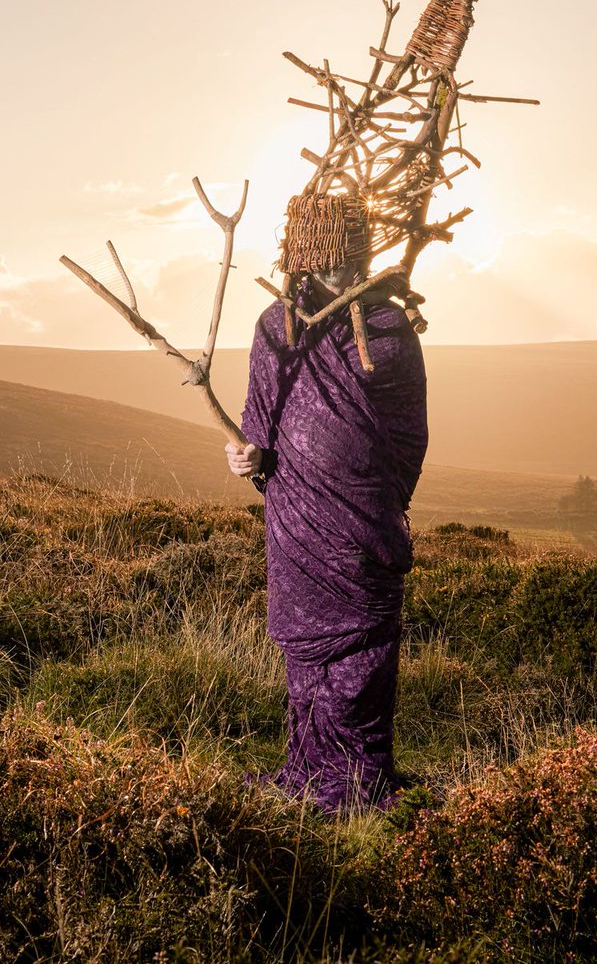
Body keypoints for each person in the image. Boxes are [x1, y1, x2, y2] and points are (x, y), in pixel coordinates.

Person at [225, 194, 428, 814]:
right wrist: (244, 457)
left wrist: (378, 502)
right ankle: (310, 774)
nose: (344, 272)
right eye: (332, 260)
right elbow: (259, 422)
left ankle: (361, 781)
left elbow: (408, 434)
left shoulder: (390, 330)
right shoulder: (276, 328)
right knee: (305, 650)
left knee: (365, 647)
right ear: (307, 257)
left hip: (363, 524)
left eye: (354, 259)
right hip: (298, 521)